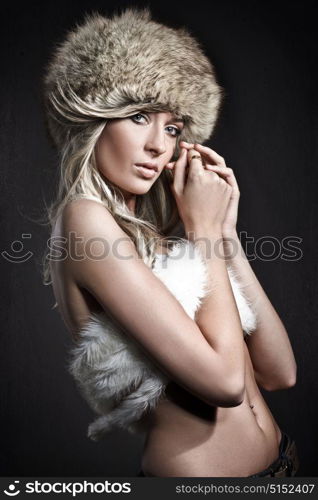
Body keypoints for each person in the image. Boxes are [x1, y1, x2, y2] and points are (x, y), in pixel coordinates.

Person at [41, 7, 299, 477]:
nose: (160, 145)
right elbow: (225, 385)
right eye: (140, 115)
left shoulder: (159, 240)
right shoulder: (84, 221)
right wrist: (201, 231)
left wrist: (222, 235)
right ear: (96, 119)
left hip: (284, 463)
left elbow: (279, 373)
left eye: (173, 127)